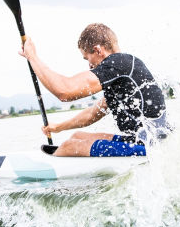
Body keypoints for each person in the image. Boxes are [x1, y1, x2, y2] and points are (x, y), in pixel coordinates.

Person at [19, 23, 170, 157]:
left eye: (87, 58)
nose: (89, 65)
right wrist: (58, 127)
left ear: (98, 50)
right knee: (77, 136)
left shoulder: (117, 63)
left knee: (69, 146)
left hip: (151, 146)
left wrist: (33, 58)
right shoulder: (123, 70)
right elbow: (92, 114)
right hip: (146, 140)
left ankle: (54, 164)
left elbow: (64, 91)